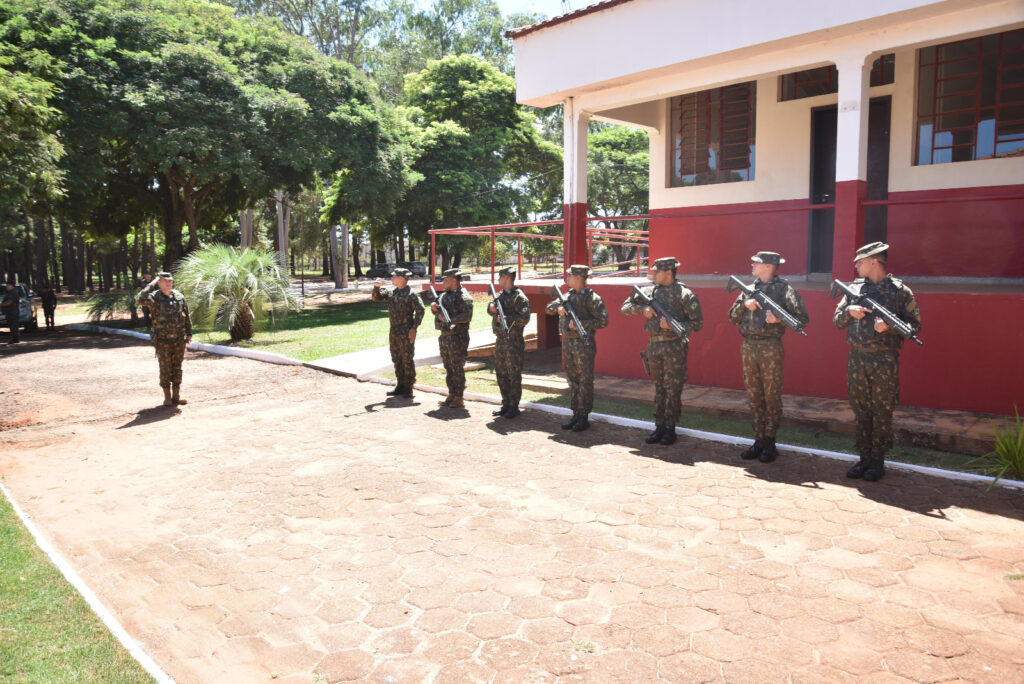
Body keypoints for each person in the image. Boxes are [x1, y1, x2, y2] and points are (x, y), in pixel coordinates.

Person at [833, 242, 921, 482]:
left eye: (860, 261)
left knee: (882, 410)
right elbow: (837, 320)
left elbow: (914, 326)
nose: (855, 265)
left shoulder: (900, 291)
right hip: (857, 357)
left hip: (884, 359)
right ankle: (863, 458)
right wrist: (849, 311)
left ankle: (877, 461)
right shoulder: (854, 288)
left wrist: (889, 326)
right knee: (861, 409)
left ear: (874, 261)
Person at [728, 251, 809, 463]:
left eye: (756, 262)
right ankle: (758, 440)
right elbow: (732, 317)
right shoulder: (749, 289)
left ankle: (770, 442)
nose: (752, 264)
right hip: (749, 346)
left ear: (767, 266)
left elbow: (802, 317)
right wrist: (743, 305)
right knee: (754, 395)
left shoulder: (784, 290)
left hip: (770, 347)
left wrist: (778, 319)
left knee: (771, 395)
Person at [621, 257, 703, 445]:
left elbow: (697, 323)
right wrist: (643, 310)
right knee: (659, 388)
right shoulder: (649, 292)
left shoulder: (685, 294)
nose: (653, 275)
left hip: (675, 346)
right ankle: (659, 426)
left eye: (656, 271)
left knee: (672, 389)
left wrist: (675, 326)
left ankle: (670, 428)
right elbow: (625, 307)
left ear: (667, 273)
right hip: (654, 345)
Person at [546, 265, 608, 432]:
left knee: (585, 381)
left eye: (571, 275)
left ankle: (583, 416)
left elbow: (603, 321)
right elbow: (549, 308)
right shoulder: (566, 296)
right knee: (573, 380)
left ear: (579, 277)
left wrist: (582, 323)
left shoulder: (592, 297)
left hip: (584, 343)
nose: (568, 278)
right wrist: (558, 308)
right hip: (568, 343)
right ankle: (575, 414)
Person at [137, 272, 192, 406]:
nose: (169, 283)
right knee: (165, 368)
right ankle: (167, 397)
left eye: (170, 281)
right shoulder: (154, 297)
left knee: (177, 368)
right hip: (162, 340)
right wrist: (152, 283)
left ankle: (176, 396)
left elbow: (186, 314)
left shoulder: (179, 296)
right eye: (165, 281)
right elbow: (140, 299)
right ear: (159, 283)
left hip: (179, 340)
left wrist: (189, 333)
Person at [371, 267, 425, 399]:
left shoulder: (411, 294)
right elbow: (376, 297)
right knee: (396, 358)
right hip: (394, 330)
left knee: (407, 359)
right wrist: (376, 287)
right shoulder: (392, 293)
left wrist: (414, 328)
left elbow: (421, 310)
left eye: (394, 276)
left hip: (406, 331)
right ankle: (400, 385)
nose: (392, 278)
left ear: (402, 278)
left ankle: (408, 387)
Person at [488, 266, 531, 419]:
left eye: (500, 277)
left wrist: (508, 319)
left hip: (513, 342)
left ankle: (514, 406)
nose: (498, 280)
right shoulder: (500, 295)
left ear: (507, 278)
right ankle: (506, 403)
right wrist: (491, 308)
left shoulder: (519, 297)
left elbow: (525, 318)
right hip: (500, 341)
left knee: (513, 374)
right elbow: (491, 307)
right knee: (502, 374)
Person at [431, 268, 474, 408]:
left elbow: (467, 316)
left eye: (446, 279)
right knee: (448, 367)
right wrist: (434, 309)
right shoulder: (444, 295)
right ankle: (452, 393)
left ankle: (459, 396)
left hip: (458, 336)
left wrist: (450, 319)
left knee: (457, 367)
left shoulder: (464, 296)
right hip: (444, 337)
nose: (443, 282)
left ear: (454, 280)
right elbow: (438, 312)